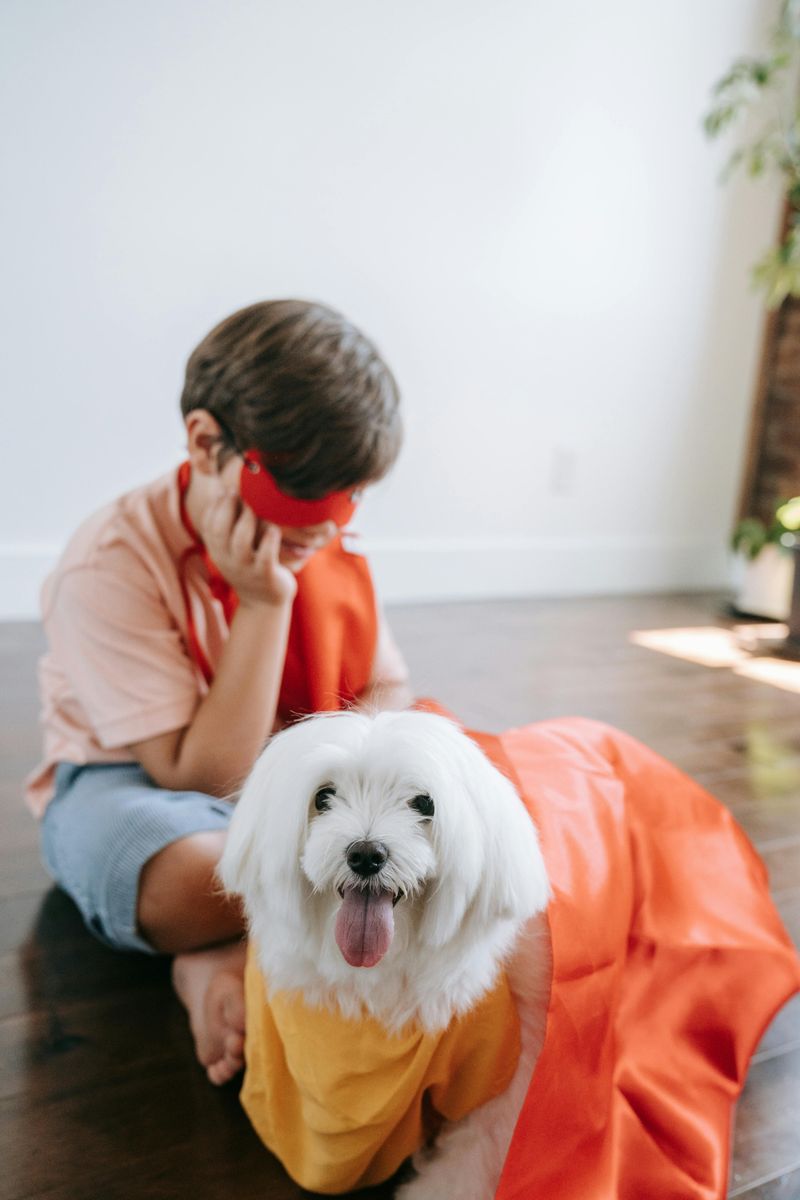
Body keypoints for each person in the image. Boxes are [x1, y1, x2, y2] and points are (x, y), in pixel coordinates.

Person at [25, 299, 413, 1084]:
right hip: (132, 785)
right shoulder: (107, 565)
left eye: (348, 501)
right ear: (207, 443)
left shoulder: (320, 544)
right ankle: (222, 940)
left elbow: (386, 688)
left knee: (458, 811)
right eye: (303, 499)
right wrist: (266, 603)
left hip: (292, 783)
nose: (323, 530)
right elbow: (200, 777)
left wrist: (358, 781)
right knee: (195, 876)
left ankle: (222, 951)